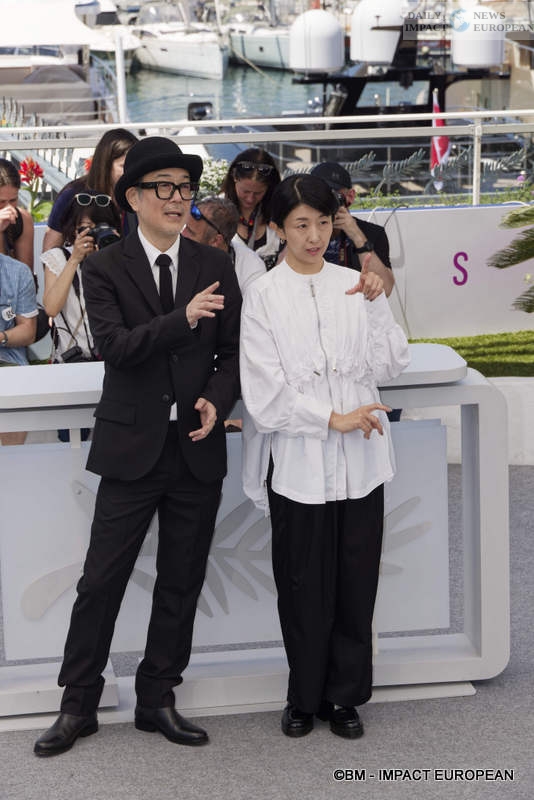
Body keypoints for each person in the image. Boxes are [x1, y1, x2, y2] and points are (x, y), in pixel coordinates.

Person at [33, 136, 241, 757]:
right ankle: (78, 703)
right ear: (134, 198)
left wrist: (217, 398)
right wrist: (183, 320)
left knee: (182, 577)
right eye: (165, 189)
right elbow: (117, 349)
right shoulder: (102, 267)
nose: (179, 200)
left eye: (186, 188)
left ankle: (158, 697)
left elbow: (231, 354)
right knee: (102, 579)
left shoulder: (215, 264)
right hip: (131, 446)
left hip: (196, 444)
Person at [239, 174, 410, 740]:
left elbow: (391, 365)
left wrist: (379, 303)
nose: (313, 236)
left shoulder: (352, 283)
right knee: (302, 585)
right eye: (300, 224)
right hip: (300, 468)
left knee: (356, 584)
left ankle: (345, 697)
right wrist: (329, 418)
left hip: (362, 463)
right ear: (278, 229)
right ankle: (302, 695)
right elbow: (263, 394)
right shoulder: (263, 294)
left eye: (321, 222)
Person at [42, 191, 119, 364]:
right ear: (73, 228)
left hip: (113, 359)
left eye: (100, 227)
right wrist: (75, 259)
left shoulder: (121, 258)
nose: (93, 233)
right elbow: (51, 308)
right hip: (71, 360)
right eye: (85, 228)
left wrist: (110, 261)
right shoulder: (58, 257)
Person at [42, 128, 138, 252]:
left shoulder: (139, 193)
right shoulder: (72, 195)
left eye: (134, 165)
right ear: (106, 164)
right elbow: (50, 253)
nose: (130, 171)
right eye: (123, 166)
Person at [310, 161, 395, 298]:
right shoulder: (302, 232)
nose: (324, 202)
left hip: (357, 312)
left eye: (332, 195)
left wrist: (356, 235)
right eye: (317, 195)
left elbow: (385, 289)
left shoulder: (372, 233)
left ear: (350, 197)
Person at [181, 195, 266, 295]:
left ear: (216, 240)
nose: (182, 234)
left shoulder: (251, 269)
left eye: (190, 232)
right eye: (185, 227)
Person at [220, 147, 283, 269]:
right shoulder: (214, 209)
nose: (250, 199)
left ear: (269, 187)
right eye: (245, 191)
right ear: (234, 177)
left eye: (258, 193)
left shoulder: (279, 212)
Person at [0, 253, 38, 445]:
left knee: (10, 456)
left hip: (8, 364)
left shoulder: (17, 272)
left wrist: (2, 337)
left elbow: (28, 331)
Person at [0, 158, 35, 271]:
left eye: (13, 200)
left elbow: (25, 275)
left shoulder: (23, 220)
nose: (8, 207)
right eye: (1, 202)